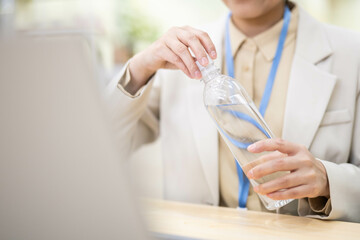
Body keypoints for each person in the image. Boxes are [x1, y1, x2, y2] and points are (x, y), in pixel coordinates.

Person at [107, 0, 360, 222]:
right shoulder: (176, 56)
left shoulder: (351, 54)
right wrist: (139, 68)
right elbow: (100, 149)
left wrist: (328, 181)